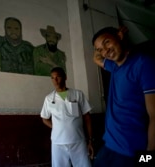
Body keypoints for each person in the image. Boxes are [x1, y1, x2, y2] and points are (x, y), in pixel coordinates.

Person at [92, 26, 155, 167]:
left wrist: (149, 158)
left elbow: (154, 115)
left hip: (130, 151)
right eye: (100, 49)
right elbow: (96, 58)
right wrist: (98, 49)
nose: (105, 50)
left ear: (119, 36)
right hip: (108, 146)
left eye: (107, 42)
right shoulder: (114, 66)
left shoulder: (144, 64)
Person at [40, 67, 94, 167]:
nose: (55, 80)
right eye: (52, 78)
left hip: (78, 140)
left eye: (58, 77)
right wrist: (56, 127)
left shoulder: (77, 94)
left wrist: (90, 140)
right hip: (58, 142)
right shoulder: (48, 99)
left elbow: (87, 117)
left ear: (65, 77)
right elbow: (44, 118)